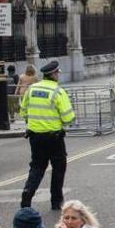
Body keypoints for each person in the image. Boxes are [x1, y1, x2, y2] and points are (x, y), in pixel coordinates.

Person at [21, 60, 76, 211]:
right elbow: (68, 117)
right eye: (57, 72)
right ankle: (56, 200)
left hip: (35, 137)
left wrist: (33, 123)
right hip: (54, 138)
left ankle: (27, 194)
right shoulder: (58, 91)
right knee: (58, 168)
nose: (58, 75)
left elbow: (23, 111)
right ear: (53, 74)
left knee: (37, 167)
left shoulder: (31, 89)